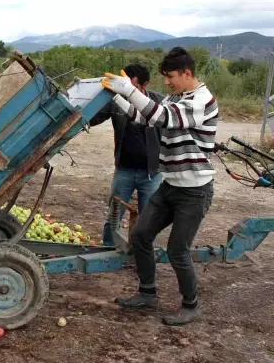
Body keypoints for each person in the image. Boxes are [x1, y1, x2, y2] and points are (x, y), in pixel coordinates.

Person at [101, 47, 218, 326]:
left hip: (194, 190)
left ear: (187, 73)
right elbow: (146, 119)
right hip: (171, 185)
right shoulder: (177, 97)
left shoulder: (202, 100)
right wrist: (117, 95)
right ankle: (147, 293)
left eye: (171, 76)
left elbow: (163, 117)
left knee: (178, 250)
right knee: (141, 235)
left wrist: (130, 90)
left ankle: (191, 305)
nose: (167, 82)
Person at [90, 64, 164, 247]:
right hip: (124, 170)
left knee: (148, 220)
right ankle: (107, 250)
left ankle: (141, 256)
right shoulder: (117, 101)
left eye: (133, 88)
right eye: (125, 87)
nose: (128, 93)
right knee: (114, 216)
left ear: (145, 85)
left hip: (151, 174)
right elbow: (93, 118)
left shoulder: (159, 104)